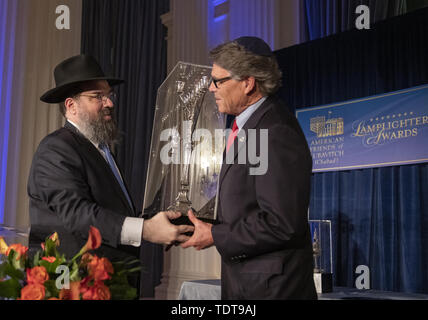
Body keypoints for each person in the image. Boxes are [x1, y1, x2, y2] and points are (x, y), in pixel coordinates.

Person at [181, 37, 317, 300]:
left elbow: (280, 223)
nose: (211, 88)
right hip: (251, 284)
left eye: (218, 81)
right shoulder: (253, 126)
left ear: (247, 83)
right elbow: (245, 205)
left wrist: (215, 235)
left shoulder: (274, 131)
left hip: (272, 291)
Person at [28, 54, 194, 267]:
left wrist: (159, 223)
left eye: (109, 95)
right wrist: (146, 230)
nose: (109, 103)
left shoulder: (101, 149)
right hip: (75, 282)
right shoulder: (55, 149)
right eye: (97, 96)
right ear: (71, 106)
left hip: (113, 280)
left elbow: (112, 213)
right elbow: (78, 214)